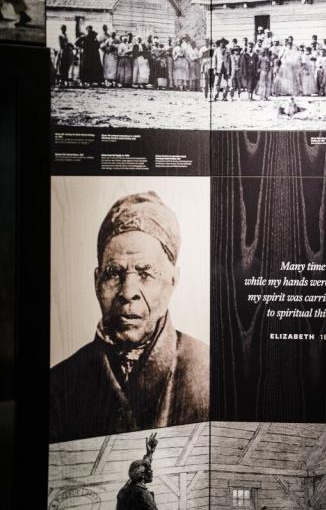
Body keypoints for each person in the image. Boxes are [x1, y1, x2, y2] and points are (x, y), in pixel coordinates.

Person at [49, 192, 209, 443]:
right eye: (114, 273)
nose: (127, 292)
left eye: (145, 273)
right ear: (96, 281)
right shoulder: (58, 385)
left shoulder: (210, 373)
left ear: (172, 281)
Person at [117, 433, 159, 510]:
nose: (151, 471)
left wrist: (149, 453)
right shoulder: (144, 495)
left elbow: (143, 466)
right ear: (142, 475)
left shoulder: (125, 490)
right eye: (149, 470)